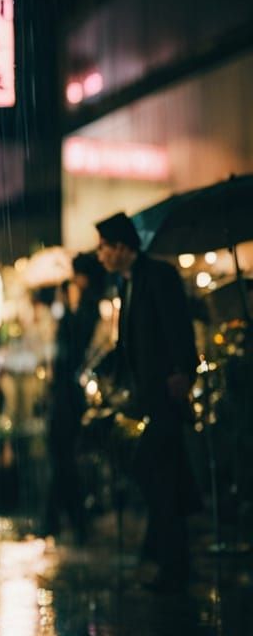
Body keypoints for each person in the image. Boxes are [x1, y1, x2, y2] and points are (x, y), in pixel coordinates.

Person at [94, 211, 199, 590]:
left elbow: (178, 328)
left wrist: (182, 371)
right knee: (162, 475)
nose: (100, 254)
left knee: (160, 473)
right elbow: (128, 343)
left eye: (104, 246)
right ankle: (168, 556)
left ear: (122, 247)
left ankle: (170, 561)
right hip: (145, 396)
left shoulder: (158, 275)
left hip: (164, 393)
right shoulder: (128, 283)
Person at [42, 253, 108, 542]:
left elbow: (72, 346)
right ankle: (65, 518)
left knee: (63, 456)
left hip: (72, 393)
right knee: (62, 456)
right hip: (66, 392)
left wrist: (68, 307)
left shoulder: (89, 308)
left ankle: (62, 519)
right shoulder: (80, 306)